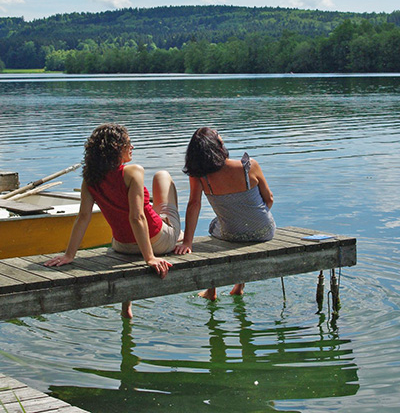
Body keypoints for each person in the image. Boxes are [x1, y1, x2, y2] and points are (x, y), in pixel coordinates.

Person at [45, 123, 182, 318]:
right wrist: (149, 258)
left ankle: (126, 307)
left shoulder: (89, 179)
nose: (132, 147)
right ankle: (179, 234)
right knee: (163, 177)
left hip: (121, 246)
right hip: (156, 242)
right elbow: (137, 217)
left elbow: (83, 218)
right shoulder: (132, 171)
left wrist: (69, 255)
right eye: (129, 144)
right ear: (117, 148)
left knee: (145, 218)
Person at [175, 127, 275, 301]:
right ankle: (239, 286)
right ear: (219, 146)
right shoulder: (249, 166)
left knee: (214, 225)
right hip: (264, 232)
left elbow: (194, 204)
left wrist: (187, 242)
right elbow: (269, 199)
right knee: (227, 223)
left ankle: (211, 290)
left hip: (231, 233)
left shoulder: (200, 175)